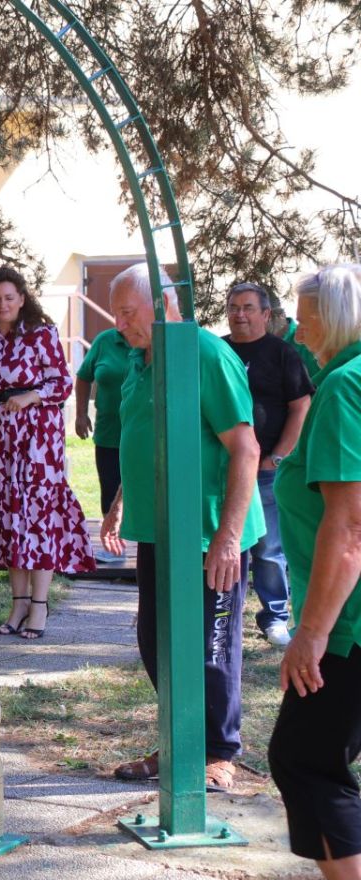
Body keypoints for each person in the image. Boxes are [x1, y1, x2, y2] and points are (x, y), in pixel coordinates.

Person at [101, 263, 262, 791]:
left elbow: (245, 447)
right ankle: (178, 738)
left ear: (164, 303)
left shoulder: (205, 354)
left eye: (127, 312)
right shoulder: (141, 358)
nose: (119, 324)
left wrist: (228, 537)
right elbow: (148, 434)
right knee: (157, 641)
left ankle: (218, 751)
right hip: (158, 528)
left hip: (208, 532)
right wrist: (122, 500)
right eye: (117, 314)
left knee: (209, 646)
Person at [268, 264, 361, 880]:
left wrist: (311, 636)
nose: (298, 330)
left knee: (305, 761)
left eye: (307, 316)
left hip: (350, 627)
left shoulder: (343, 388)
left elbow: (349, 529)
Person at [0, 266, 94, 639]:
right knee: (7, 521)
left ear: (22, 298)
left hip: (37, 442)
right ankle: (17, 605)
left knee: (37, 517)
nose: (3, 304)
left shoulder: (41, 335)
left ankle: (39, 607)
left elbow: (62, 382)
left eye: (9, 298)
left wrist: (30, 396)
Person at [222, 281, 314, 649]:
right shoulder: (219, 351)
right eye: (233, 307)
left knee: (269, 549)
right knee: (225, 543)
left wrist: (277, 457)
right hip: (224, 469)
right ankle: (222, 614)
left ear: (266, 314)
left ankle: (274, 617)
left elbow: (300, 406)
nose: (239, 314)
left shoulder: (282, 354)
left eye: (247, 307)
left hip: (265, 471)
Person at [75, 322, 131, 560]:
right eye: (118, 312)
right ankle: (113, 547)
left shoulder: (153, 339)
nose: (122, 318)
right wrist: (80, 413)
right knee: (110, 489)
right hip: (109, 433)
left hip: (145, 433)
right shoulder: (105, 340)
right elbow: (83, 376)